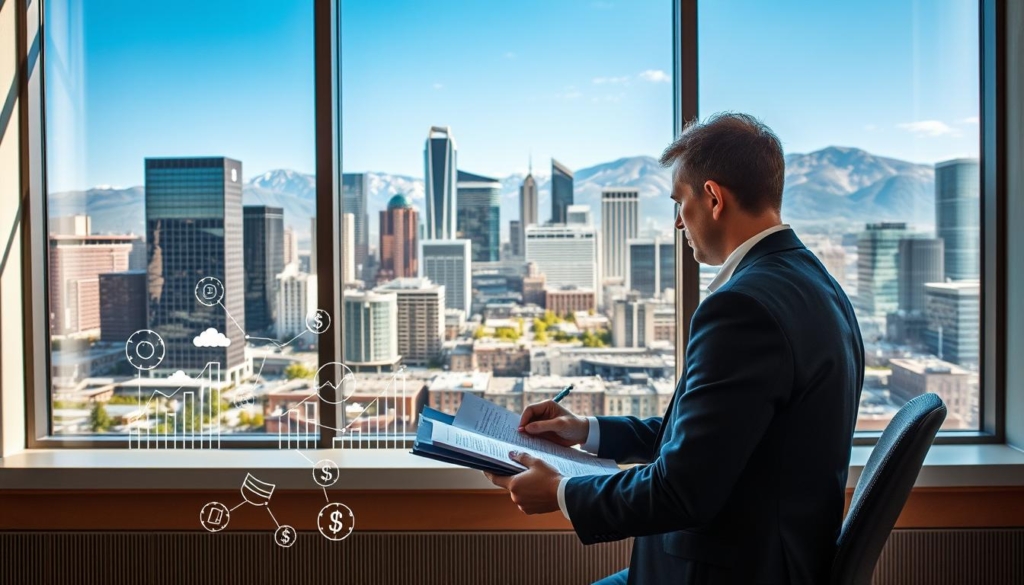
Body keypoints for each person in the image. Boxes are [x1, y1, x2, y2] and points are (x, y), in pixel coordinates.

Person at [485, 113, 864, 584]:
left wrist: (562, 492)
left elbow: (683, 490)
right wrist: (587, 430)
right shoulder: (816, 283)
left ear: (713, 198)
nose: (678, 222)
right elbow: (716, 436)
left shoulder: (743, 309)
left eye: (679, 202)